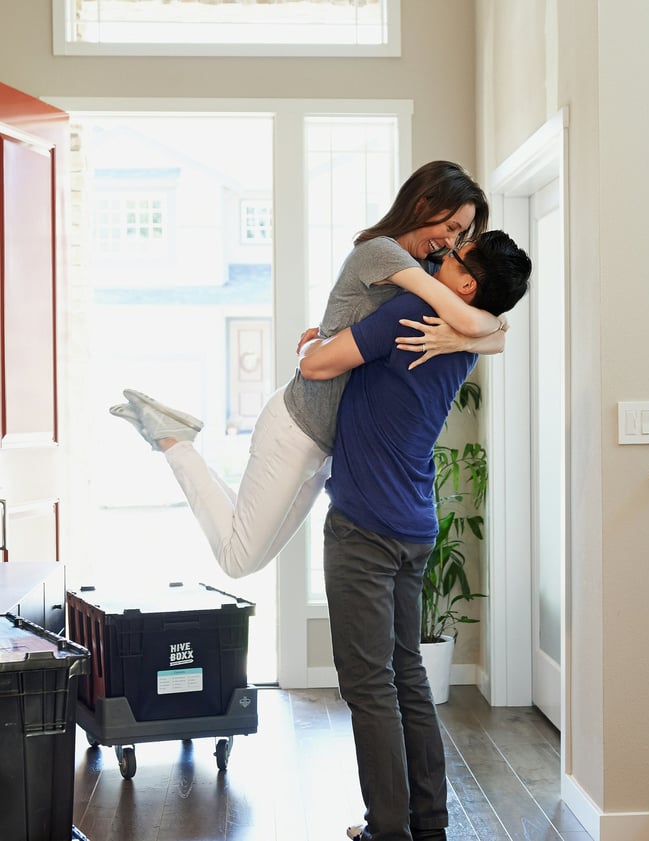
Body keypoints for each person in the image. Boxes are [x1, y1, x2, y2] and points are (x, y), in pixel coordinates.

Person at [110, 161, 508, 578]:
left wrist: (465, 338)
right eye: (451, 227)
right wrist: (470, 330)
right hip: (296, 427)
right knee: (236, 560)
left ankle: (176, 435)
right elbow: (469, 315)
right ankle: (174, 440)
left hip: (325, 449)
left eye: (460, 235)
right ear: (424, 203)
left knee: (249, 552)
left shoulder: (427, 266)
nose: (451, 240)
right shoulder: (381, 253)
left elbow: (498, 333)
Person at [298, 230, 532, 841]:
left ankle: (388, 832)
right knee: (406, 677)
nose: (439, 257)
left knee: (369, 685)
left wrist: (311, 347)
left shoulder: (416, 310)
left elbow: (318, 364)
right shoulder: (473, 336)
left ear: (466, 284)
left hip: (364, 525)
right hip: (412, 523)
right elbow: (491, 329)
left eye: (452, 256)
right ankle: (427, 825)